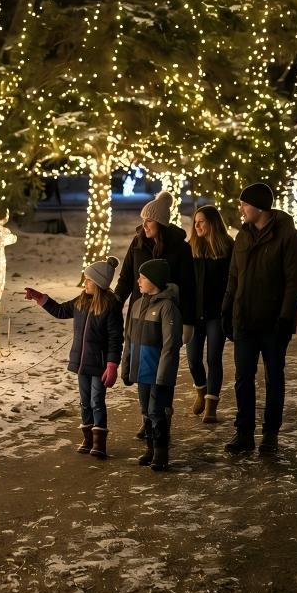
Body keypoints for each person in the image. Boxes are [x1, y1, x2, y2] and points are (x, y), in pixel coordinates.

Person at [221, 183, 297, 455]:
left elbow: (295, 283)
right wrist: (227, 309)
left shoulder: (288, 237)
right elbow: (233, 277)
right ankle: (244, 432)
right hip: (244, 320)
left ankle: (270, 433)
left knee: (273, 379)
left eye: (245, 204)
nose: (241, 209)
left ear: (258, 207)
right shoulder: (242, 237)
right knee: (243, 379)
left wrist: (285, 318)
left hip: (273, 323)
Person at [24, 257, 124, 458]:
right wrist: (41, 298)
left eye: (87, 280)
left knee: (97, 400)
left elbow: (115, 337)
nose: (84, 283)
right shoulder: (80, 301)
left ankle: (99, 442)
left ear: (98, 283)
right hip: (81, 363)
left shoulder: (110, 306)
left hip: (99, 364)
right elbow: (60, 311)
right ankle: (87, 438)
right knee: (85, 401)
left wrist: (112, 365)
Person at [114, 190, 195, 437]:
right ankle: (147, 418)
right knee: (142, 366)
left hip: (167, 318)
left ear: (159, 222)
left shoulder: (179, 249)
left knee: (163, 367)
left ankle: (162, 417)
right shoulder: (138, 242)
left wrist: (188, 322)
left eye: (148, 221)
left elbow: (189, 286)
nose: (144, 225)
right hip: (140, 316)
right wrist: (114, 304)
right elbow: (127, 277)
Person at [119, 259, 180, 472]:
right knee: (145, 410)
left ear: (154, 280)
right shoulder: (137, 305)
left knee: (157, 411)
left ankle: (162, 452)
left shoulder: (167, 307)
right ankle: (150, 448)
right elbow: (129, 340)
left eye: (142, 278)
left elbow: (170, 345)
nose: (138, 281)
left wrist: (163, 375)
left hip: (157, 372)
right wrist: (126, 367)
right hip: (140, 370)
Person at [186, 205, 233, 424]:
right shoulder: (190, 249)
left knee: (213, 358)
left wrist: (227, 307)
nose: (197, 226)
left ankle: (211, 405)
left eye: (201, 221)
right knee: (193, 360)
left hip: (217, 314)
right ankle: (200, 391)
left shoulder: (227, 249)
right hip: (195, 315)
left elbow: (233, 282)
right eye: (195, 222)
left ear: (212, 223)